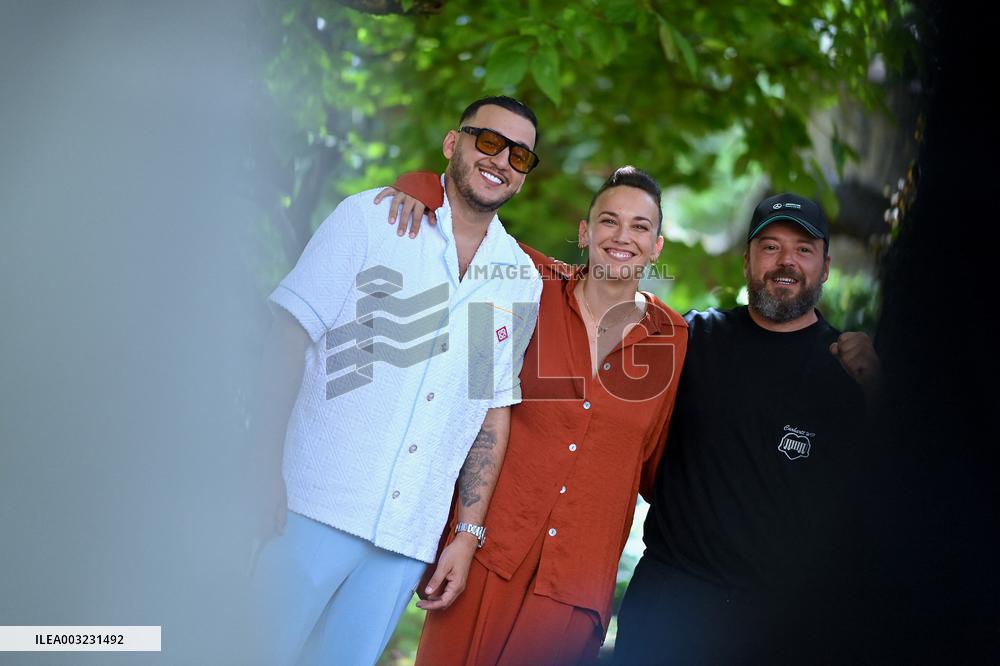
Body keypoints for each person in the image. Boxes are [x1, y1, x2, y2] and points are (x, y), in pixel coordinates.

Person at [249, 95, 544, 666]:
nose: (502, 160)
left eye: (520, 155)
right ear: (452, 144)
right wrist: (260, 465)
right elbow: (288, 337)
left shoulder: (517, 279)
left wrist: (467, 533)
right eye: (489, 141)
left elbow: (489, 411)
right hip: (306, 506)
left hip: (404, 541)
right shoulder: (372, 218)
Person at [379, 166, 689, 665]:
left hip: (573, 589)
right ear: (586, 233)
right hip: (484, 555)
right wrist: (417, 184)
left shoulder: (673, 339)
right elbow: (465, 218)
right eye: (609, 221)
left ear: (657, 245)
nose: (622, 237)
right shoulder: (528, 282)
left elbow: (654, 466)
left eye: (640, 226)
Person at [612, 193, 881, 665]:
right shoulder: (690, 339)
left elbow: (901, 492)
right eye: (770, 246)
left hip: (776, 627)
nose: (786, 262)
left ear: (825, 266)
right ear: (747, 261)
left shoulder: (850, 372)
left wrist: (880, 390)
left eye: (803, 249)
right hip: (667, 610)